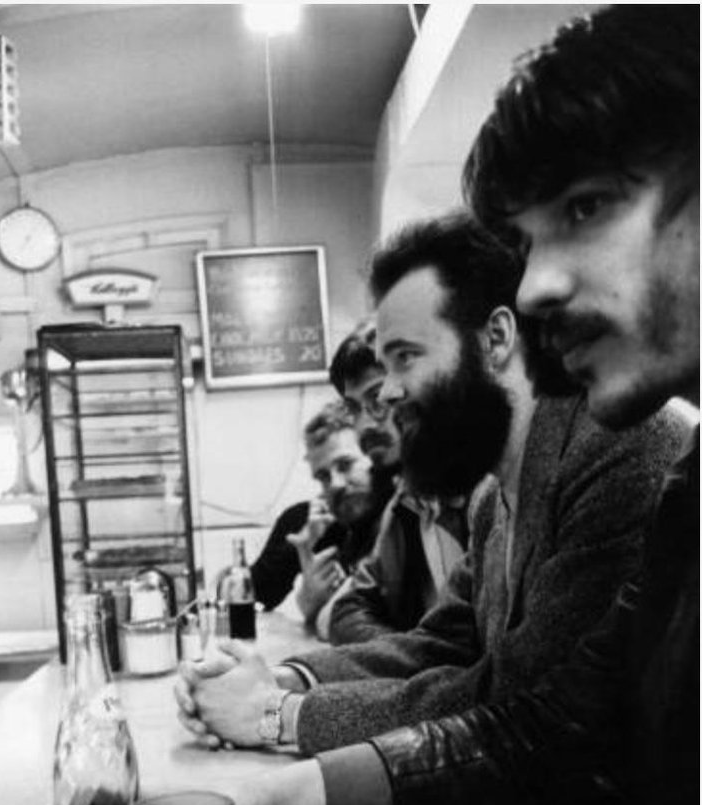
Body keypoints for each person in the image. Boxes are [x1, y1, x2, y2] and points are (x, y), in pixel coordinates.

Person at [111, 5, 699, 805]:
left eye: (588, 207)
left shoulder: (634, 452)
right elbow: (542, 729)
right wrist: (293, 792)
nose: (535, 289)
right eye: (528, 240)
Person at [175, 213, 687, 754]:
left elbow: (524, 698)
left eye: (406, 357)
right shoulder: (493, 500)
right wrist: (282, 679)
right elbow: (438, 645)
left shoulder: (619, 445)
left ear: (496, 339)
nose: (389, 395)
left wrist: (276, 716)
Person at [328, 318, 471, 643]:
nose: (364, 426)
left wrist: (406, 658)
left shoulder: (484, 490)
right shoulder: (408, 502)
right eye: (353, 409)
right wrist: (403, 655)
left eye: (377, 398)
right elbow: (348, 610)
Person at [246, 403, 393, 629]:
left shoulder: (399, 518)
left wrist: (312, 606)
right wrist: (300, 548)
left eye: (345, 465)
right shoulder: (312, 518)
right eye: (323, 476)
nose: (335, 484)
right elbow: (253, 595)